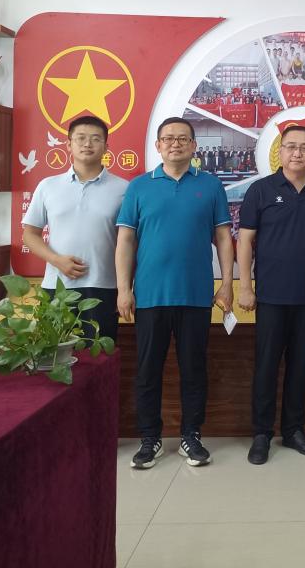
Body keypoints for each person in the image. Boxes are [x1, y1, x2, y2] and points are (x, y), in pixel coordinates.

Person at [116, 117, 234, 470]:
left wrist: (227, 283)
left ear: (194, 146)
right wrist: (124, 289)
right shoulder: (139, 187)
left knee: (194, 369)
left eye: (183, 139)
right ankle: (149, 439)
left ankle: (191, 436)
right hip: (150, 295)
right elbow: (126, 240)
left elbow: (223, 237)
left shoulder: (210, 186)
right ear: (158, 145)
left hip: (196, 295)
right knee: (147, 371)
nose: (175, 144)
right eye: (168, 139)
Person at [238, 124, 305, 465]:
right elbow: (245, 240)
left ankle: (294, 429)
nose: (297, 153)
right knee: (266, 365)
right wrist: (245, 286)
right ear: (280, 152)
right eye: (291, 146)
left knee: (300, 365)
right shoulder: (261, 190)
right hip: (270, 296)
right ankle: (261, 433)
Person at [22, 115, 128, 343]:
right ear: (68, 144)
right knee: (54, 355)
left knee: (98, 355)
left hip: (104, 287)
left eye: (95, 139)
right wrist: (56, 260)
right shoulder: (48, 186)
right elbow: (30, 235)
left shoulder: (123, 189)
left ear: (106, 147)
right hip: (56, 285)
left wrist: (125, 287)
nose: (87, 144)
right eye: (80, 138)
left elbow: (129, 243)